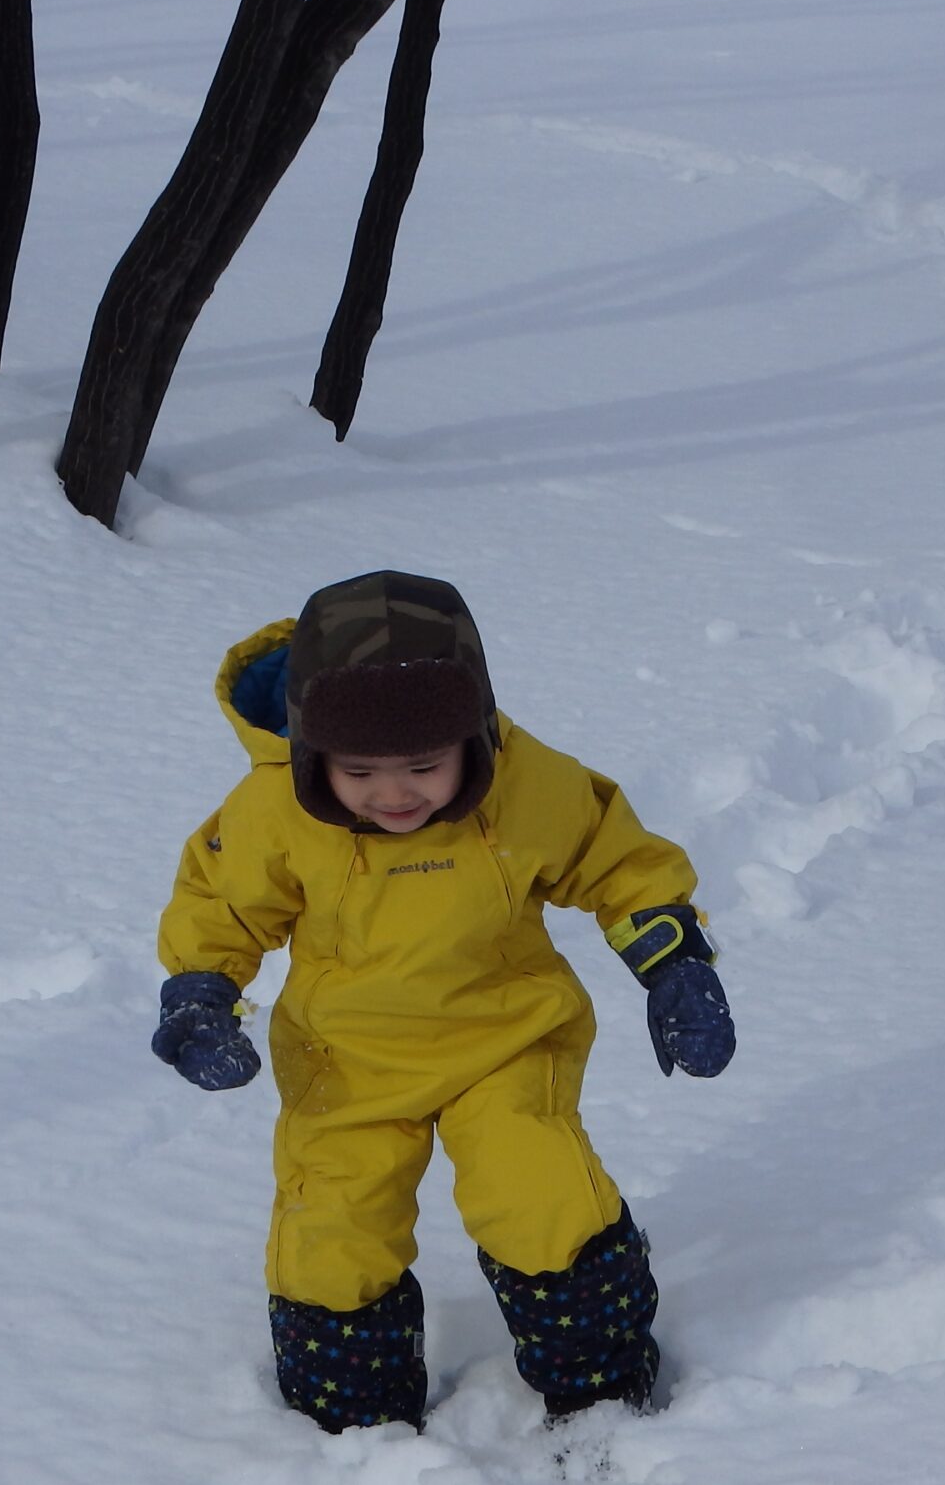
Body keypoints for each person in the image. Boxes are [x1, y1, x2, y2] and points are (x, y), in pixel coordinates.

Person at [148, 569, 737, 1433]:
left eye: (425, 766)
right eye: (359, 772)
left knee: (539, 1192)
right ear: (315, 752)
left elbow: (614, 858)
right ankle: (354, 1417)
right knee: (333, 1232)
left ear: (474, 735)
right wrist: (200, 994)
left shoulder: (524, 783)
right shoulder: (275, 808)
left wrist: (674, 960)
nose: (395, 795)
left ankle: (601, 1381)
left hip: (503, 1037)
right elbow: (220, 905)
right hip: (345, 1061)